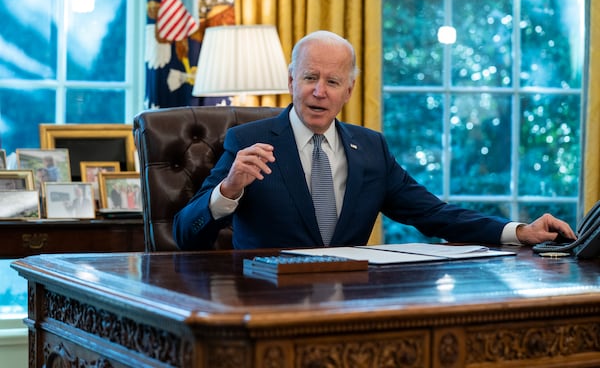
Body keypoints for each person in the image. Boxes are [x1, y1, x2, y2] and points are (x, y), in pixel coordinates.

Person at [173, 30, 576, 250]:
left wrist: (519, 231)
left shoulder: (371, 148)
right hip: (264, 304)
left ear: (348, 91)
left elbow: (435, 215)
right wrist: (229, 189)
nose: (320, 92)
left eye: (333, 82)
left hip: (353, 303)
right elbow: (185, 235)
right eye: (311, 78)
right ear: (292, 81)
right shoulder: (248, 141)